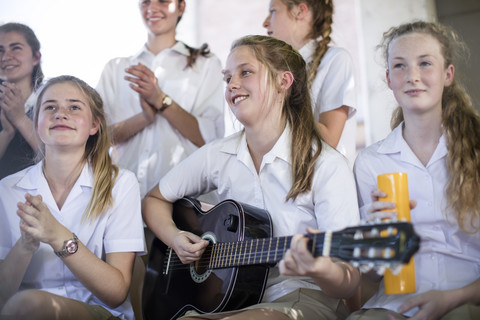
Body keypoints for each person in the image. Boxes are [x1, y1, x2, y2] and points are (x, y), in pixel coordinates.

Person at [142, 35, 360, 320]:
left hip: (303, 296)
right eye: (228, 77)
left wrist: (319, 267)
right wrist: (175, 238)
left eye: (245, 72)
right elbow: (154, 198)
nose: (232, 84)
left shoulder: (327, 166)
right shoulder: (218, 154)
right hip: (230, 299)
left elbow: (349, 279)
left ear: (284, 81)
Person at [350, 21, 480, 320]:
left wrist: (453, 299)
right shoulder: (371, 163)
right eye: (399, 66)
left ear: (447, 74)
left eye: (425, 63)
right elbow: (368, 276)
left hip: (466, 299)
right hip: (394, 306)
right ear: (388, 78)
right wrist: (373, 241)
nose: (412, 77)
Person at [0, 75, 146, 320]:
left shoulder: (120, 184)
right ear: (36, 123)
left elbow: (116, 293)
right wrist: (25, 246)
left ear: (94, 125)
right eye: (50, 107)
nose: (60, 114)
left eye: (74, 107)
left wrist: (59, 236)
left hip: (98, 312)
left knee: (30, 304)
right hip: (19, 313)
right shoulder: (7, 189)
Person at [96, 0, 224, 197]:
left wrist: (160, 99)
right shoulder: (115, 69)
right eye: (145, 2)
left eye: (163, 1)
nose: (152, 8)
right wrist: (144, 118)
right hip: (124, 200)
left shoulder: (205, 65)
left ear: (181, 7)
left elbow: (210, 138)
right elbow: (99, 138)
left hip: (186, 201)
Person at [263, 0, 357, 166]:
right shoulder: (277, 69)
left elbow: (329, 140)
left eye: (273, 11)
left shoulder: (335, 60)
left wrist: (271, 106)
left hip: (326, 182)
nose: (265, 23)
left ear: (300, 11)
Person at [0, 22, 43, 179]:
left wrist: (19, 119)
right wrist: (7, 133)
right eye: (0, 50)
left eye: (16, 48)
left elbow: (59, 159)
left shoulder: (52, 102)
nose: (5, 57)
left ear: (35, 57)